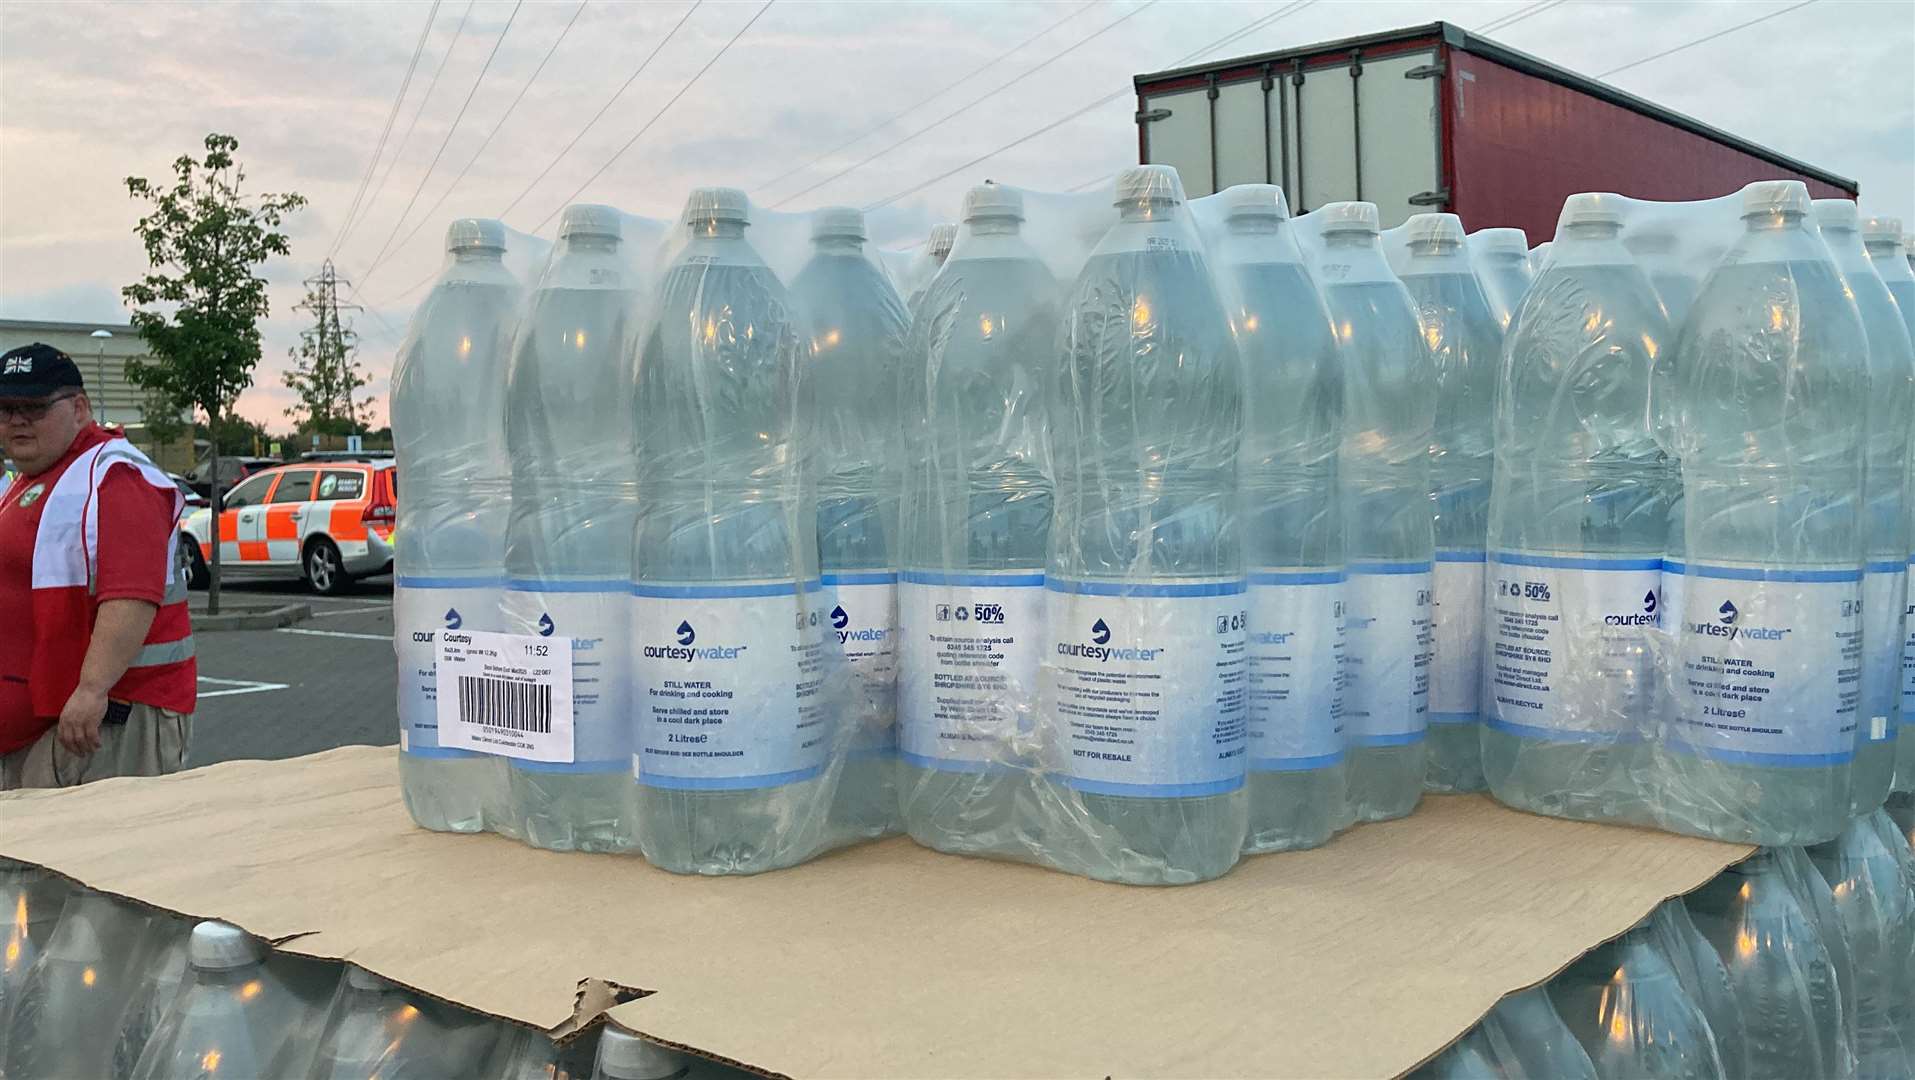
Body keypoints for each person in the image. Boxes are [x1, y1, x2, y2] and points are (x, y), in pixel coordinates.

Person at [0, 342, 194, 788]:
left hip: (110, 722)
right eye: (6, 408)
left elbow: (131, 594)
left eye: (34, 406)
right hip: (58, 725)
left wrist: (92, 689)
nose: (17, 420)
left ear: (80, 408)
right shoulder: (35, 479)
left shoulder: (116, 475)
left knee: (110, 852)